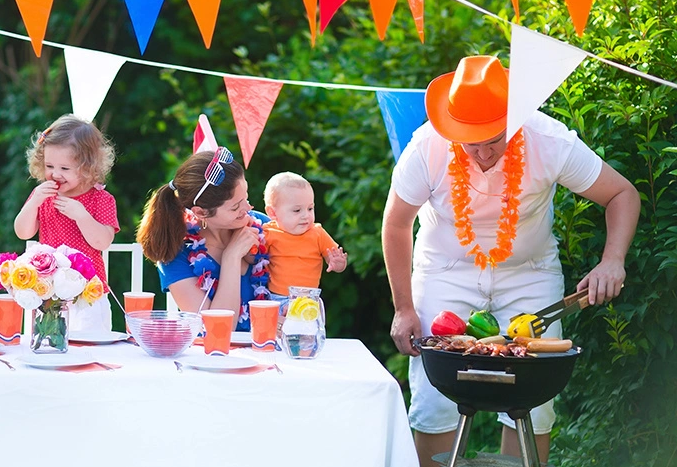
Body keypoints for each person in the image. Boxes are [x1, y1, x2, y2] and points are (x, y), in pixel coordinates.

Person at [381, 55, 640, 466]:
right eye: (472, 142)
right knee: (433, 399)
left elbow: (622, 194)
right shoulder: (426, 146)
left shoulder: (550, 140)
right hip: (445, 269)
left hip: (529, 273)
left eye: (494, 140)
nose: (483, 153)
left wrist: (613, 260)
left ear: (514, 121)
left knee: (533, 402)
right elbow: (396, 224)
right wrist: (404, 308)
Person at [136, 147, 271, 331]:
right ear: (201, 212)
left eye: (246, 197)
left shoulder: (263, 226)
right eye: (235, 207)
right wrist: (231, 257)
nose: (248, 208)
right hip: (211, 357)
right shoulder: (175, 253)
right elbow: (218, 330)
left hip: (269, 351)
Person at [13, 114, 118, 331]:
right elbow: (23, 232)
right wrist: (33, 202)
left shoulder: (101, 199)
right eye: (50, 166)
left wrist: (81, 215)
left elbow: (103, 242)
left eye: (65, 169)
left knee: (90, 348)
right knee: (50, 343)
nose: (55, 174)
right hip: (49, 290)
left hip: (89, 291)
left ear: (88, 167)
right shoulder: (43, 195)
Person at [262, 171, 348, 295]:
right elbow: (253, 259)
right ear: (273, 213)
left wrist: (338, 264)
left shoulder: (318, 233)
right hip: (277, 298)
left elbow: (333, 258)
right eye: (297, 210)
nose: (306, 216)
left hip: (309, 299)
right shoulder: (269, 233)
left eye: (310, 208)